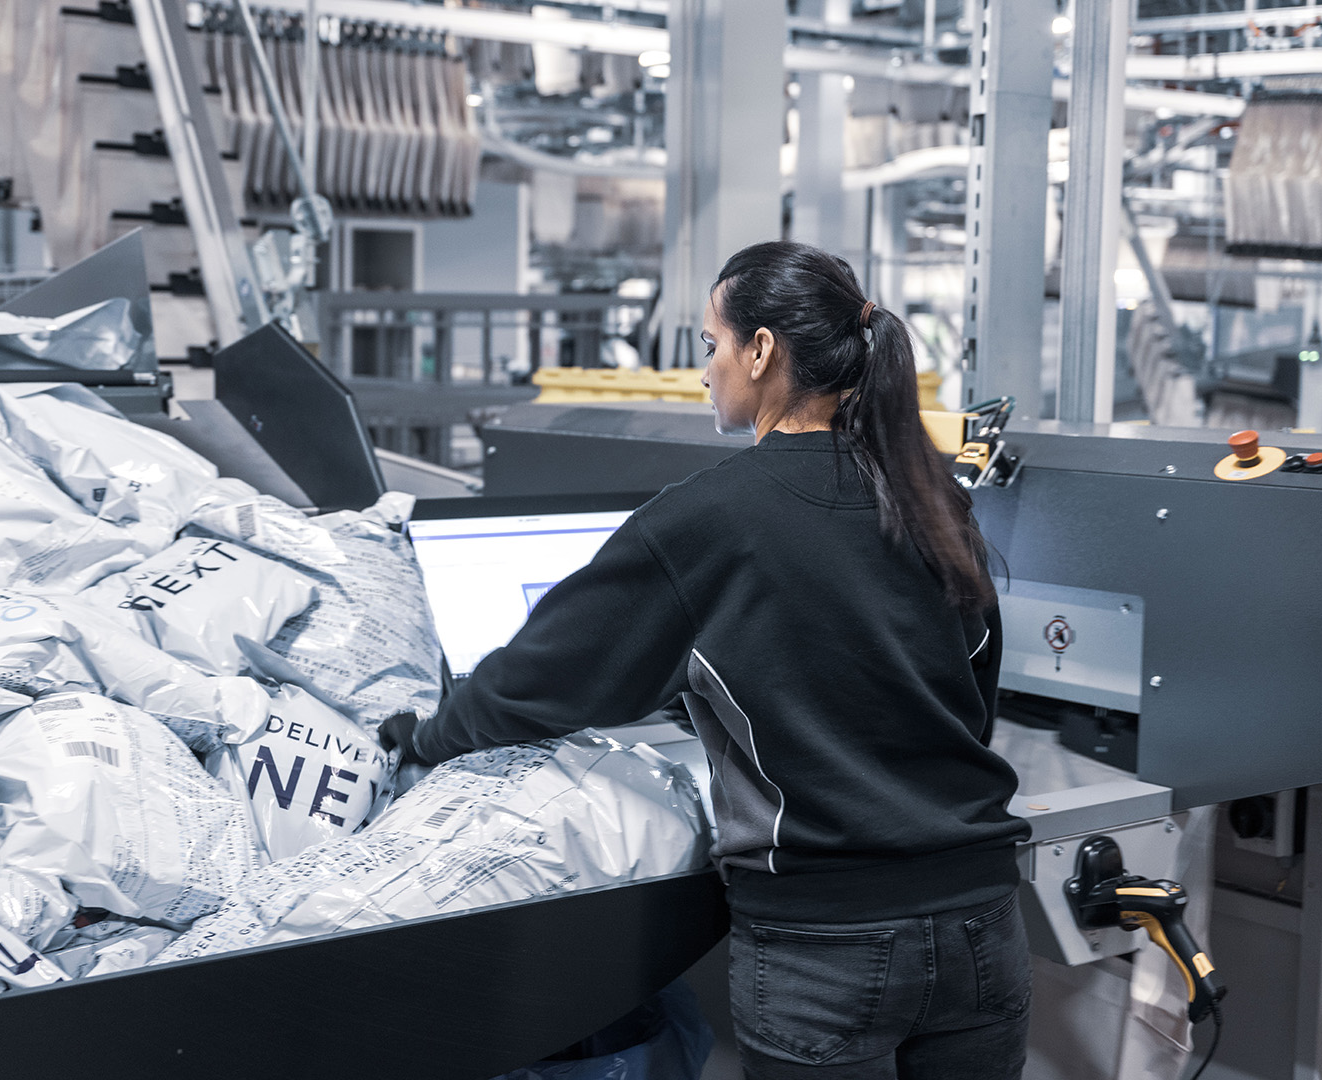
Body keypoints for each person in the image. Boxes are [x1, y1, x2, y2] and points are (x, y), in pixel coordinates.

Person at [382, 240, 1032, 1080]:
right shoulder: (931, 497)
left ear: (761, 351)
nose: (703, 372)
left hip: (828, 941)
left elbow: (541, 678)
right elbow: (971, 688)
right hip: (984, 919)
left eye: (709, 344)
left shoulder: (710, 517)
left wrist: (426, 738)